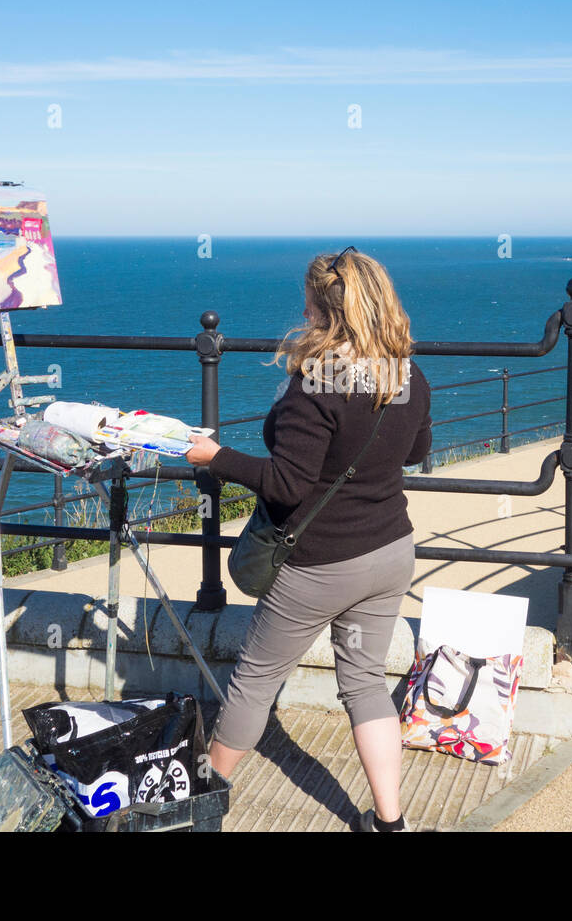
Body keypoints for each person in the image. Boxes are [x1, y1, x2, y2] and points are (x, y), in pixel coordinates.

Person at [184, 246, 431, 832]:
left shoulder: (317, 383)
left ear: (320, 305)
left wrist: (216, 457)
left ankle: (200, 808)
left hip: (322, 562)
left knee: (255, 683)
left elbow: (288, 484)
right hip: (392, 549)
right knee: (366, 683)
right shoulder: (408, 374)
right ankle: (389, 822)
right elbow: (416, 452)